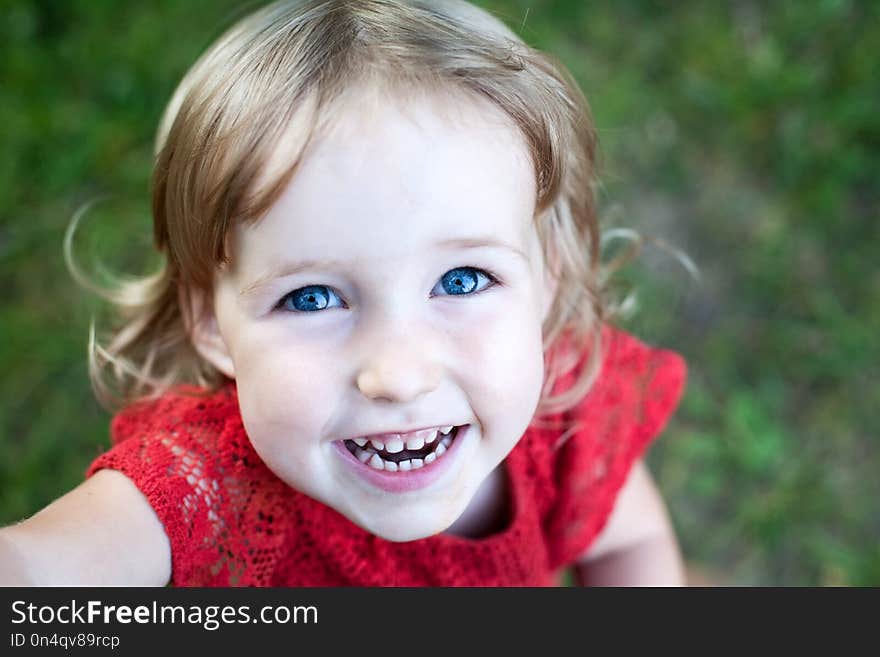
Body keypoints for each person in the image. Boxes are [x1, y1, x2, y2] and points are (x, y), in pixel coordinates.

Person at [0, 0, 688, 586]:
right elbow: (38, 571)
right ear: (211, 320)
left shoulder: (562, 419)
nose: (398, 373)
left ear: (549, 280)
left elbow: (629, 543)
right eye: (312, 298)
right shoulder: (214, 489)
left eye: (462, 280)